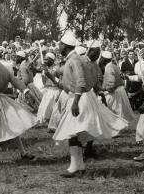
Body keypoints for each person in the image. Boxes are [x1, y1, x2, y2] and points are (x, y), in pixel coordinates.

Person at [53, 33, 128, 177]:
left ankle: (75, 166)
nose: (59, 46)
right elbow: (68, 77)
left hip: (79, 99)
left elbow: (81, 82)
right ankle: (79, 166)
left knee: (72, 133)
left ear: (66, 46)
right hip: (77, 97)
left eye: (60, 44)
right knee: (73, 132)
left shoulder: (74, 60)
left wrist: (75, 102)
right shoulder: (73, 59)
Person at [100, 51, 137, 128]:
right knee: (118, 110)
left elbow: (111, 81)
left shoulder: (109, 67)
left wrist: (107, 89)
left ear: (104, 59)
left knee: (114, 110)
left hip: (114, 91)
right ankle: (118, 127)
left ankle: (116, 128)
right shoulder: (114, 65)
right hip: (119, 89)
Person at [35, 52, 60, 128]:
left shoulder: (56, 68)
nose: (45, 61)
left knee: (51, 108)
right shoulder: (45, 68)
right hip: (48, 90)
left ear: (52, 61)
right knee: (44, 107)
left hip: (55, 90)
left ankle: (51, 122)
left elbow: (58, 80)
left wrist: (47, 72)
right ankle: (43, 121)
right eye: (45, 59)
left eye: (47, 59)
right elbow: (44, 81)